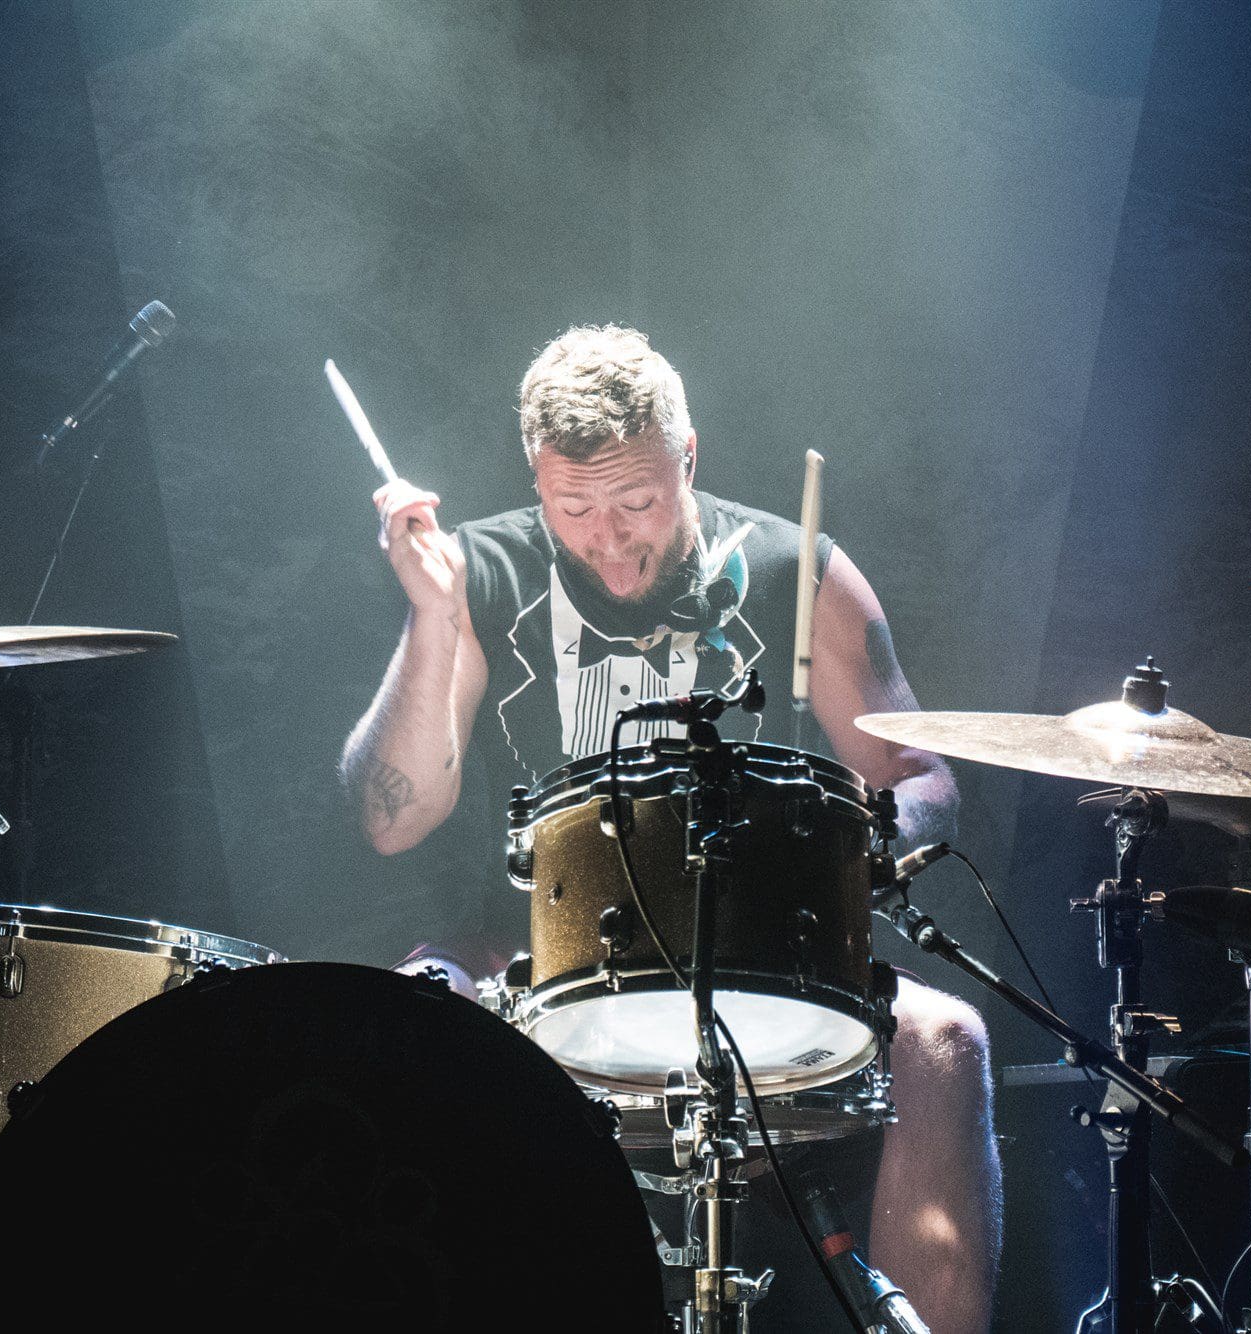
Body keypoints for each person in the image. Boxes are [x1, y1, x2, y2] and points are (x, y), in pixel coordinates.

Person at [342, 325, 1000, 1332]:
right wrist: (434, 616)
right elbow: (393, 819)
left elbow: (919, 772)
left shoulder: (791, 568)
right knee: (399, 1020)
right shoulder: (479, 573)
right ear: (536, 479)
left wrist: (848, 858)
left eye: (637, 503)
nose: (609, 543)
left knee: (944, 1040)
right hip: (531, 960)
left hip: (763, 955)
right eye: (574, 509)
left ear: (687, 458)